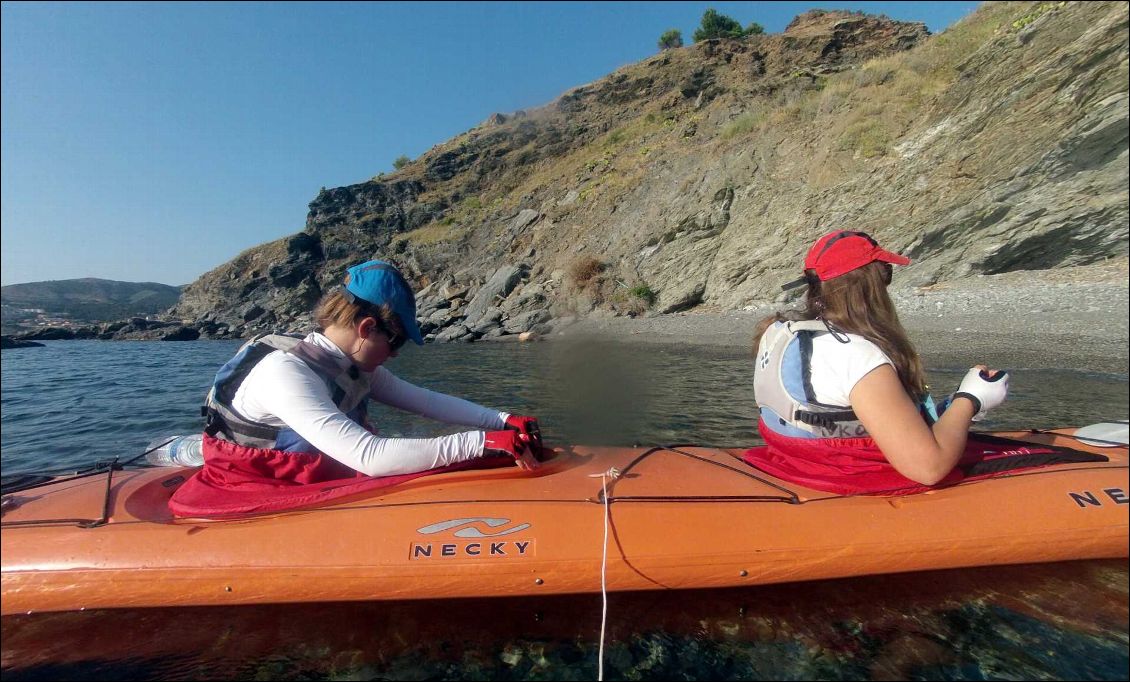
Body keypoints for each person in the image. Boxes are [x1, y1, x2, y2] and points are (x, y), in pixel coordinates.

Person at [169, 259, 542, 517]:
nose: (394, 355)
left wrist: (502, 420)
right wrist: (480, 442)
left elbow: (426, 401)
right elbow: (370, 457)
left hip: (313, 471)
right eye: (395, 343)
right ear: (366, 329)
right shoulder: (285, 373)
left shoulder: (349, 362)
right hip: (252, 482)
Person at [749, 230, 1009, 493]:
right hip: (846, 477)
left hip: (794, 464)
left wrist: (953, 409)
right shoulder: (857, 356)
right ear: (873, 282)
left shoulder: (776, 333)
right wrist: (972, 398)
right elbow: (928, 469)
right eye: (886, 272)